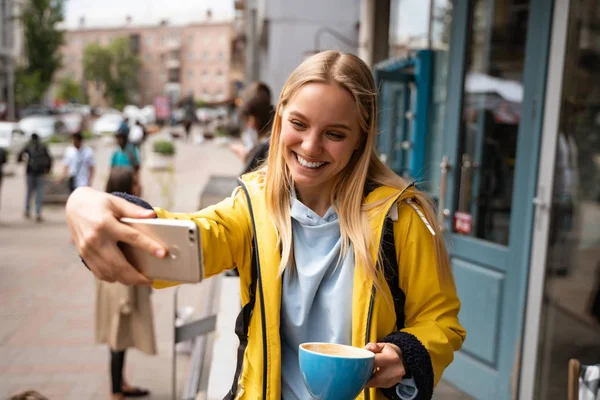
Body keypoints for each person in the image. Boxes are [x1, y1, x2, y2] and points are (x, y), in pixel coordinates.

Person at [65, 51, 466, 400]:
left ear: (361, 139)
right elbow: (183, 240)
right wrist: (89, 204)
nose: (310, 146)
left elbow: (440, 320)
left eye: (335, 134)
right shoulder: (252, 207)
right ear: (279, 122)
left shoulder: (403, 218)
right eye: (299, 124)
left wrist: (406, 354)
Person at [96, 168, 156, 400]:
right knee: (117, 338)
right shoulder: (117, 221)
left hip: (119, 286)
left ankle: (120, 383)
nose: (139, 186)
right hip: (120, 289)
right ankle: (115, 392)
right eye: (134, 183)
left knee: (119, 339)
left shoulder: (112, 215)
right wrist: (125, 299)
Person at [18, 133, 52, 222]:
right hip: (40, 173)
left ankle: (27, 210)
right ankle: (38, 212)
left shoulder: (29, 146)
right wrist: (48, 169)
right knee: (39, 193)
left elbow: (19, 156)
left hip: (30, 172)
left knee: (29, 192)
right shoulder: (42, 147)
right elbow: (49, 158)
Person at [111, 126, 141, 197]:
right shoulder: (116, 152)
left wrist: (136, 182)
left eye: (120, 138)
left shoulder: (132, 150)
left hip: (128, 182)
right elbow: (112, 167)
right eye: (117, 138)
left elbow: (136, 167)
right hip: (118, 181)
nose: (118, 140)